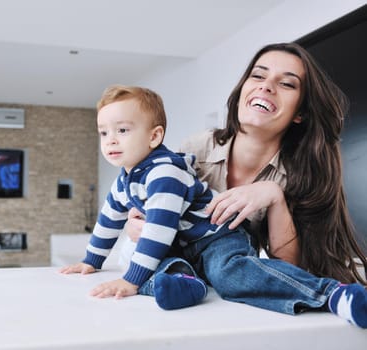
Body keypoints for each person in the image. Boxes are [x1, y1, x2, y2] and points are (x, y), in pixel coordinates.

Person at [123, 43, 367, 328]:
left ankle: (337, 297)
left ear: (300, 113)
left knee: (233, 276)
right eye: (258, 76)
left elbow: (288, 268)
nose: (266, 87)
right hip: (180, 258)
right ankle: (184, 283)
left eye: (286, 83)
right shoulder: (197, 149)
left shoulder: (300, 175)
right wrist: (138, 224)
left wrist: (274, 197)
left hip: (228, 266)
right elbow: (155, 207)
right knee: (142, 265)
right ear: (242, 92)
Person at [61, 84, 226, 310]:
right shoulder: (125, 180)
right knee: (158, 265)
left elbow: (159, 230)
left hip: (216, 237)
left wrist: (131, 280)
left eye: (122, 130)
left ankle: (289, 282)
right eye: (104, 132)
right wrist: (91, 261)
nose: (110, 140)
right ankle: (187, 283)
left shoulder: (164, 172)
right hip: (183, 246)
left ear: (154, 136)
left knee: (229, 274)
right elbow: (108, 221)